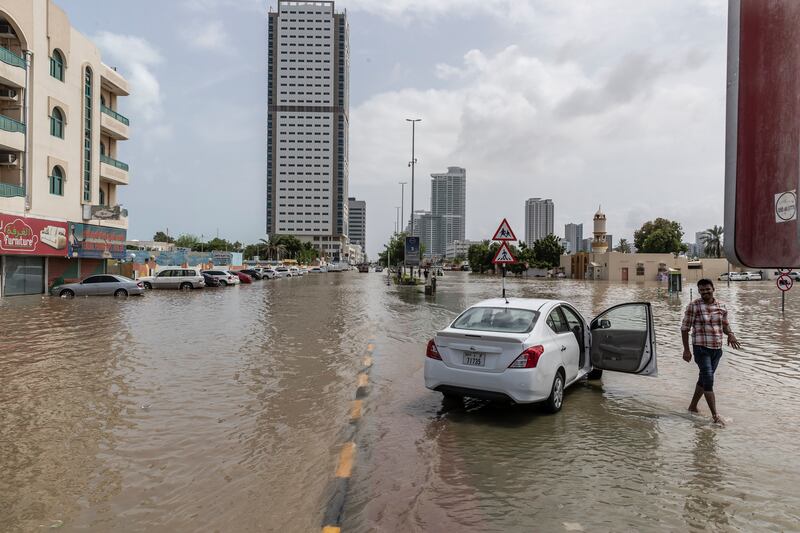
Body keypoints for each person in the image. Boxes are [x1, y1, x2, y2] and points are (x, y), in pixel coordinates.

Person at [681, 278, 741, 425]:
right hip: (701, 348)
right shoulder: (693, 306)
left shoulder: (721, 306)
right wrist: (686, 350)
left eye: (707, 289)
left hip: (717, 350)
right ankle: (716, 416)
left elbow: (725, 325)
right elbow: (685, 328)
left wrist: (731, 334)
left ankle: (692, 407)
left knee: (704, 379)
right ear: (699, 291)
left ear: (713, 288)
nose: (705, 292)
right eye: (702, 290)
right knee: (708, 379)